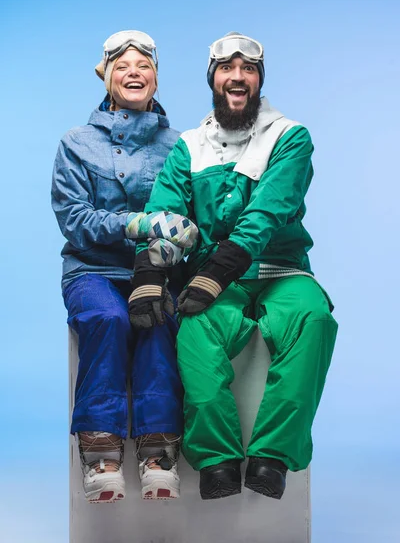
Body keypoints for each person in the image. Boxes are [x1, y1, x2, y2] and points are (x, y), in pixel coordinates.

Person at [129, 32, 338, 501]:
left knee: (314, 320)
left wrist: (214, 272)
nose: (237, 76)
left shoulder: (290, 136)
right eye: (227, 68)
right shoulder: (188, 146)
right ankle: (217, 458)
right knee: (196, 330)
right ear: (213, 79)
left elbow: (268, 211)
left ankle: (272, 456)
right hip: (217, 279)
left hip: (280, 269)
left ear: (259, 80)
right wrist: (148, 273)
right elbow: (165, 211)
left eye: (248, 69)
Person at [51, 30, 197, 503]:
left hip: (156, 271)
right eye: (122, 65)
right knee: (108, 319)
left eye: (144, 65)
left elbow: (188, 217)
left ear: (156, 78)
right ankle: (100, 451)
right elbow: (73, 218)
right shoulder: (77, 142)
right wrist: (135, 222)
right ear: (107, 76)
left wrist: (179, 240)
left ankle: (158, 450)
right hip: (93, 269)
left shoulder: (181, 145)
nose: (133, 72)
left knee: (158, 322)